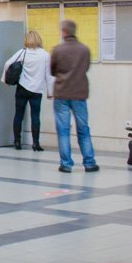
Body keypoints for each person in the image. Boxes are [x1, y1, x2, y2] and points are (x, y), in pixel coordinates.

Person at [50, 20, 98, 173]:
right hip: (79, 94)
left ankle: (66, 164)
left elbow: (52, 71)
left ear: (63, 32)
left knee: (63, 130)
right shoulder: (85, 49)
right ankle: (89, 163)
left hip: (61, 93)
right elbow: (86, 68)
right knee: (83, 129)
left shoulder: (57, 50)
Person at [3, 30, 52, 151]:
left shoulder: (23, 52)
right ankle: (36, 144)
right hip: (37, 90)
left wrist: (6, 81)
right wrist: (50, 92)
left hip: (22, 88)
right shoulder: (45, 55)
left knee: (19, 115)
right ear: (39, 40)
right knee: (35, 116)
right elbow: (49, 75)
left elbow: (8, 63)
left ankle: (17, 142)